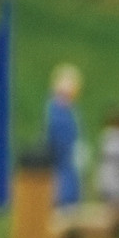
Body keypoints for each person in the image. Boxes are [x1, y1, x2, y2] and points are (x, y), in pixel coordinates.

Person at [45, 64, 85, 208]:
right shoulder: (55, 110)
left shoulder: (71, 109)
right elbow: (55, 137)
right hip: (60, 157)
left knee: (71, 181)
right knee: (63, 185)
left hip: (70, 157)